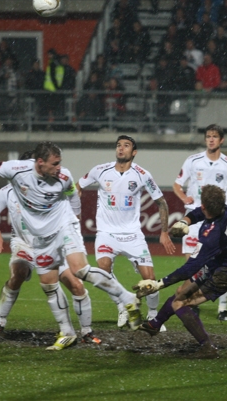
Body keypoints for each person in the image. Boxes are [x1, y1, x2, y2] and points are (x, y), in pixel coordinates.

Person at [0, 141, 143, 350]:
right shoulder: (15, 171)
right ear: (40, 163)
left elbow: (73, 197)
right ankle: (67, 332)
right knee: (49, 284)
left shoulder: (64, 176)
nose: (59, 168)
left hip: (64, 227)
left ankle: (126, 298)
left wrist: (75, 220)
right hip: (41, 238)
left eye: (60, 163)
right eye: (55, 164)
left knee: (79, 270)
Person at [0, 151, 100, 348]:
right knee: (18, 274)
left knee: (77, 285)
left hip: (51, 243)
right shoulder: (7, 192)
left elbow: (69, 200)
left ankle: (86, 332)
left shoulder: (50, 188)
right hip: (24, 244)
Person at [77, 135, 176, 330]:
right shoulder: (100, 170)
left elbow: (161, 201)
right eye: (118, 145)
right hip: (106, 233)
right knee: (103, 271)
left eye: (126, 145)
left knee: (150, 279)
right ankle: (122, 307)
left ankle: (153, 315)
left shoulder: (142, 175)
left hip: (132, 234)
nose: (121, 149)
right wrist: (74, 212)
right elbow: (77, 187)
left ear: (134, 152)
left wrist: (164, 232)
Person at [134, 185, 227, 359]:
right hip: (219, 263)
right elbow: (199, 213)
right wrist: (185, 221)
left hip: (225, 273)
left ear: (204, 206)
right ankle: (154, 325)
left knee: (181, 303)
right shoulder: (224, 209)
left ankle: (207, 347)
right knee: (180, 292)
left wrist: (159, 284)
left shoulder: (213, 235)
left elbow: (190, 267)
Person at [173, 124, 227, 321]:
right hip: (194, 218)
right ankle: (193, 303)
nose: (211, 139)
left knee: (221, 263)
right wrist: (184, 198)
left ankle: (222, 308)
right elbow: (177, 184)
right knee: (192, 263)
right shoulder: (193, 161)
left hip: (218, 220)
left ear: (221, 140)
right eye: (208, 136)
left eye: (215, 137)